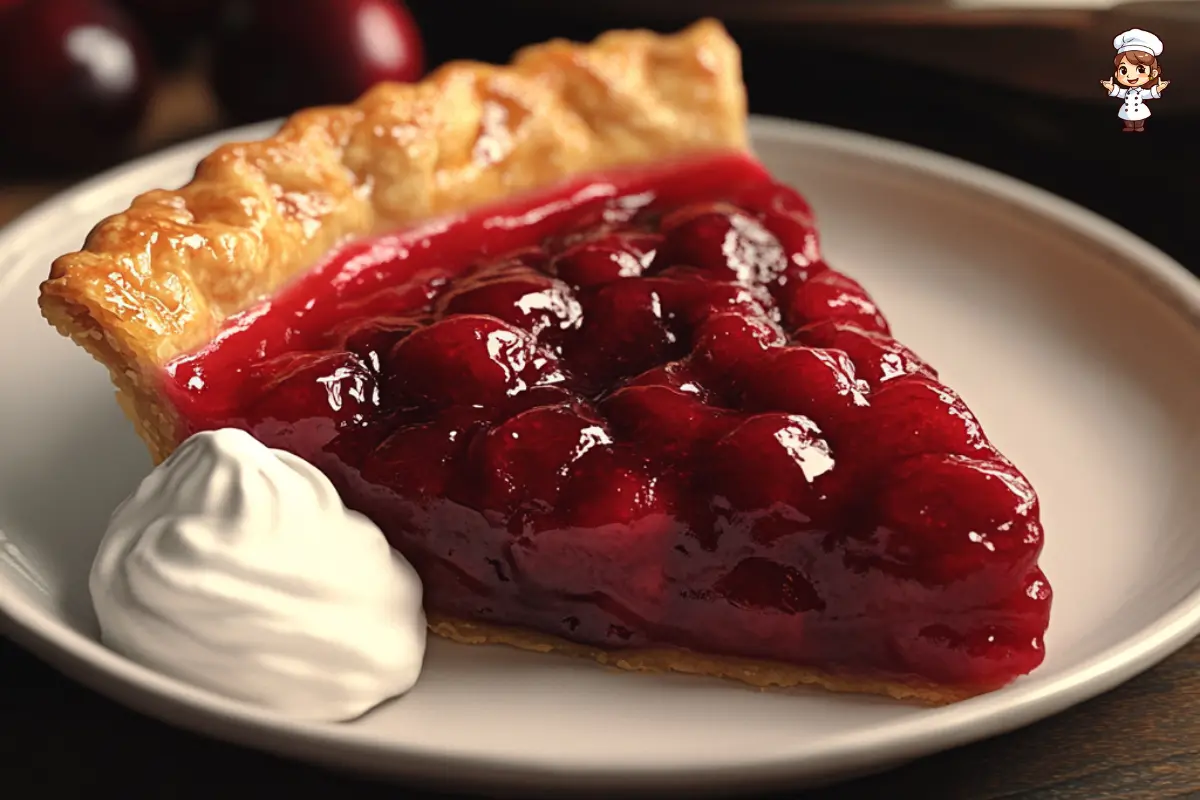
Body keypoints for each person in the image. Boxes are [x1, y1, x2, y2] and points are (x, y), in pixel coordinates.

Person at [1101, 29, 1170, 132]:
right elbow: (1120, 92)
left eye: (1140, 69)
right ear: (1116, 73)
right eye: (1123, 70)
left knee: (1139, 119)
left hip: (1139, 111)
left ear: (1153, 73)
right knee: (1127, 119)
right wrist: (1111, 88)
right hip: (1127, 110)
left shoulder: (1142, 92)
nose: (1131, 76)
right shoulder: (1127, 91)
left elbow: (1149, 93)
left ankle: (1138, 126)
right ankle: (1129, 126)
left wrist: (1158, 89)